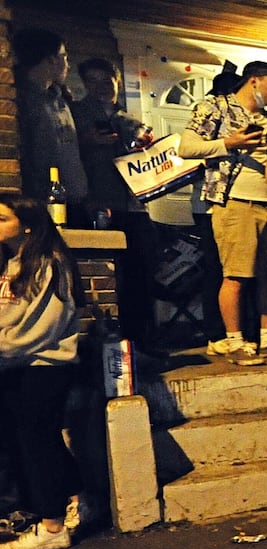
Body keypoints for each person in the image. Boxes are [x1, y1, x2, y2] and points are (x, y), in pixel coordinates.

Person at [176, 59, 267, 365]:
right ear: (253, 80)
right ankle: (234, 340)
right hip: (235, 200)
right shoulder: (214, 107)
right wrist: (230, 142)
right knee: (236, 274)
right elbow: (186, 147)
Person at [0, 195, 86, 549]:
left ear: (29, 224)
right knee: (27, 438)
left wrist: (3, 349)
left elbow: (42, 326)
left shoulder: (51, 264)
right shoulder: (13, 262)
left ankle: (52, 527)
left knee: (39, 440)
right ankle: (76, 499)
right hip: (16, 363)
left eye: (2, 218)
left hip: (43, 365)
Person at [71, 57, 158, 345]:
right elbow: (66, 154)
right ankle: (108, 342)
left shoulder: (131, 119)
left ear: (117, 80)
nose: (99, 87)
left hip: (134, 204)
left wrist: (147, 146)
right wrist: (86, 141)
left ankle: (142, 340)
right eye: (92, 81)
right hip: (97, 201)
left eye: (105, 80)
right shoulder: (76, 113)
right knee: (109, 274)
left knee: (142, 272)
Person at [14, 29, 88, 224]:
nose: (68, 64)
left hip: (73, 199)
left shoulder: (60, 99)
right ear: (51, 59)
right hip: (38, 203)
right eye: (64, 56)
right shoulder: (20, 98)